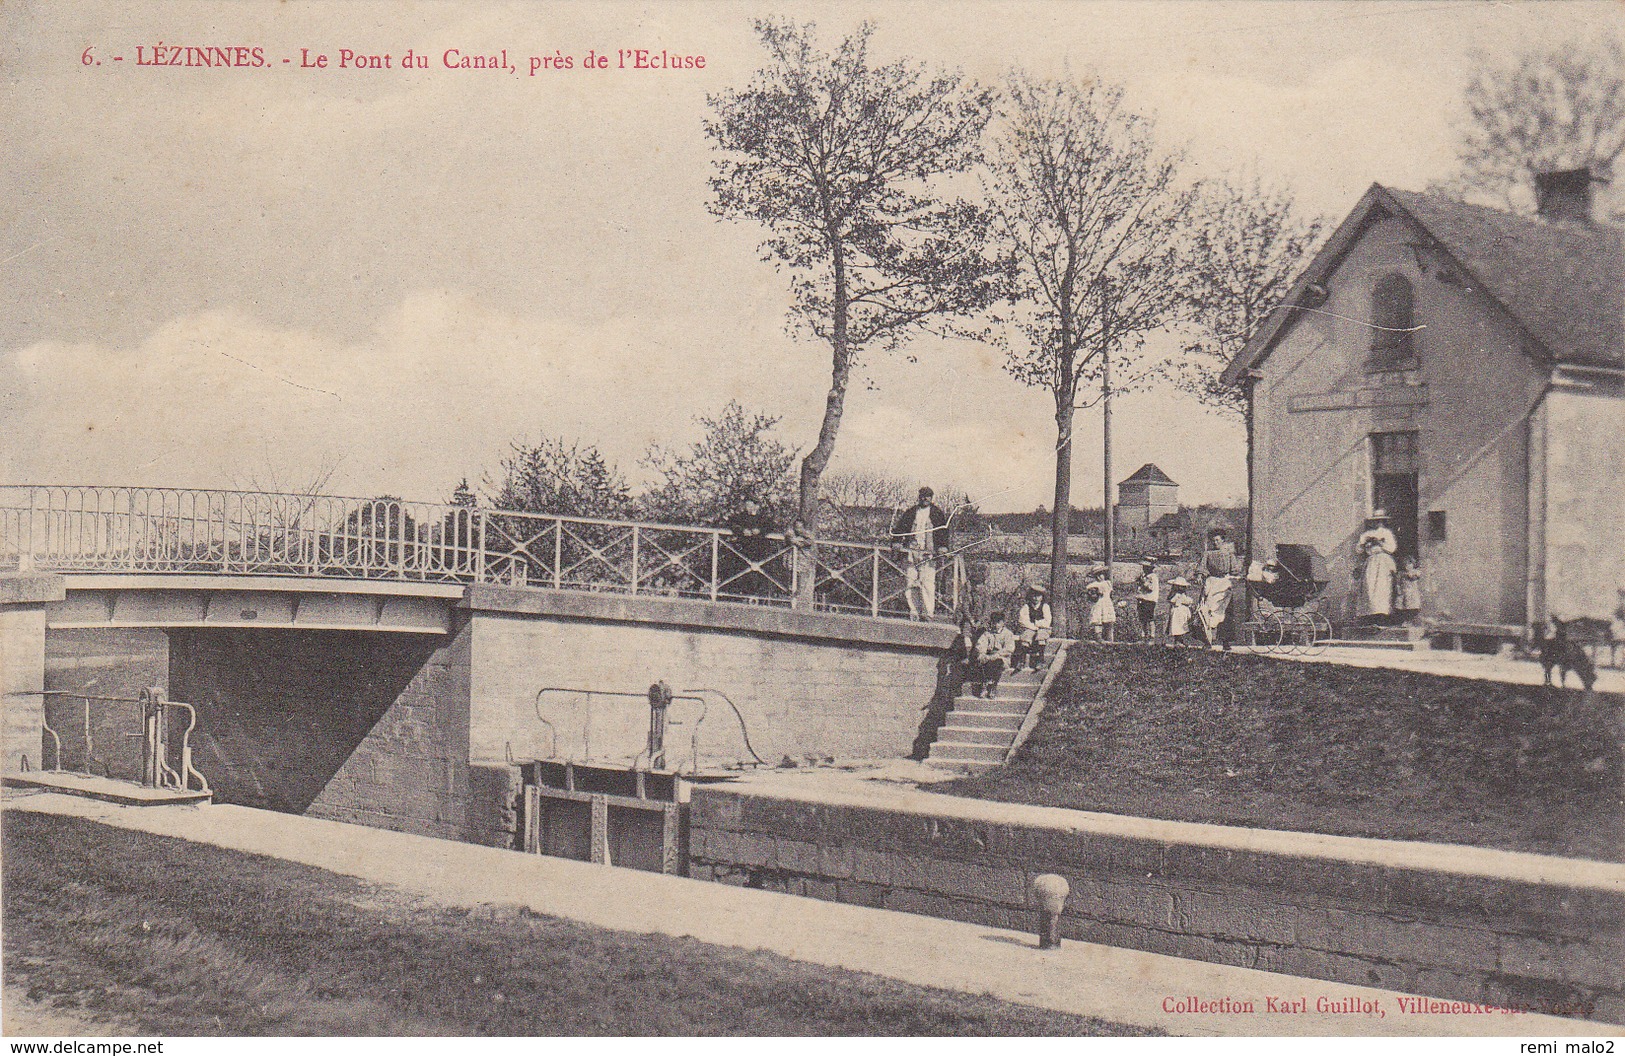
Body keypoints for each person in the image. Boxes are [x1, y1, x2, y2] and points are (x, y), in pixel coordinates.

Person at [890, 486, 951, 620]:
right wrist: (897, 541)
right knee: (910, 582)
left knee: (927, 583)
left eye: (928, 496)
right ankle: (914, 612)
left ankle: (928, 613)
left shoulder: (937, 513)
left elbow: (943, 532)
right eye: (923, 495)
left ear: (931, 498)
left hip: (928, 553)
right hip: (911, 551)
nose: (925, 498)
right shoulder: (911, 512)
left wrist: (943, 547)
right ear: (919, 497)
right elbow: (900, 528)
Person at [723, 497, 780, 600]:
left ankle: (758, 597)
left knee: (758, 574)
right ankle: (742, 596)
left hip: (759, 550)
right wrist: (742, 531)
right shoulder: (741, 517)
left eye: (750, 505)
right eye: (746, 506)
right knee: (742, 573)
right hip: (744, 550)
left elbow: (770, 526)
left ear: (756, 506)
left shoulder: (762, 518)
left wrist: (760, 531)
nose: (748, 508)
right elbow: (731, 523)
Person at [1200, 528, 1240, 651]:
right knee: (1206, 612)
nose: (1215, 543)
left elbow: (1235, 569)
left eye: (1217, 540)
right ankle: (1207, 641)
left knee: (1226, 613)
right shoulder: (1208, 554)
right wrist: (1200, 575)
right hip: (1212, 584)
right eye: (1213, 541)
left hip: (1224, 584)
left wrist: (1234, 576)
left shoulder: (1229, 554)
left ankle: (1226, 642)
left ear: (1223, 541)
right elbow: (1202, 568)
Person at [1356, 510, 1398, 622]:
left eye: (1380, 521)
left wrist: (1380, 543)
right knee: (1370, 588)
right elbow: (1359, 550)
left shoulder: (1386, 533)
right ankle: (1370, 616)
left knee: (1382, 588)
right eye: (1375, 521)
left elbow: (1392, 548)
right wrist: (1364, 543)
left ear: (1383, 522)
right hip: (1371, 562)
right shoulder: (1366, 534)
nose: (1378, 523)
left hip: (1383, 561)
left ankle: (1383, 616)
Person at [972, 611, 1015, 697]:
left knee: (996, 663)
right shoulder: (988, 633)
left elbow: (1009, 649)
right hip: (989, 656)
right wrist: (982, 653)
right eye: (994, 622)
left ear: (1003, 622)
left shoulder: (1007, 634)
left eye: (998, 622)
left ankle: (993, 686)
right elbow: (981, 644)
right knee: (983, 661)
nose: (996, 625)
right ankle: (985, 685)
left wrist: (997, 655)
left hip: (1002, 657)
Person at [1012, 585, 1052, 672]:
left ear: (1042, 597)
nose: (1036, 598)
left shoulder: (1045, 606)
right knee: (1026, 636)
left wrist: (1037, 624)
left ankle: (1041, 660)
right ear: (1030, 596)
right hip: (1030, 628)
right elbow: (1023, 620)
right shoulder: (1026, 607)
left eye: (1038, 596)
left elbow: (1047, 621)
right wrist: (1032, 626)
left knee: (1041, 635)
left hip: (1043, 628)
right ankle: (1022, 661)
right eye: (1034, 595)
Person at [947, 615, 979, 696]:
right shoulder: (958, 640)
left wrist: (970, 659)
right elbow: (953, 652)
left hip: (972, 663)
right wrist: (962, 659)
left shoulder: (975, 640)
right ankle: (956, 693)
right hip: (961, 663)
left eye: (968, 628)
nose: (966, 630)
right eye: (965, 628)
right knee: (957, 671)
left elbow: (978, 651)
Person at [1166, 577, 1197, 647]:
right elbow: (1187, 601)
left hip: (1179, 612)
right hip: (1179, 613)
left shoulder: (1175, 595)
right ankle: (1178, 641)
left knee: (1179, 627)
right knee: (1179, 626)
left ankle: (1179, 640)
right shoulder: (1179, 595)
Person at [1135, 559, 1161, 642]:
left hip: (1149, 600)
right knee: (1142, 618)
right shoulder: (1144, 576)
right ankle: (1143, 634)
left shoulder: (1153, 577)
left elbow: (1151, 588)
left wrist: (1144, 582)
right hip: (1142, 598)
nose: (1144, 568)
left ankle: (1152, 635)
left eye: (1146, 567)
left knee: (1149, 617)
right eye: (1144, 567)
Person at [1087, 571, 1116, 642]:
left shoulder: (1107, 583)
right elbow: (1090, 596)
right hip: (1099, 603)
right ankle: (1098, 637)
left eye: (1101, 574)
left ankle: (1109, 637)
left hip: (1107, 603)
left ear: (1104, 575)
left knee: (1109, 619)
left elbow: (1111, 594)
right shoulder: (1094, 584)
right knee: (1098, 619)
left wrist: (1115, 600)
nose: (1099, 577)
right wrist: (1095, 594)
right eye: (1097, 575)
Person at [1397, 555, 1423, 625]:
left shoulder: (1415, 572)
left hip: (1412, 592)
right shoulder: (1401, 573)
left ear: (1413, 564)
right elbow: (1398, 583)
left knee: (1413, 606)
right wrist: (1398, 589)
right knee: (1405, 606)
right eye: (1405, 565)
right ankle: (1406, 620)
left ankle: (1412, 620)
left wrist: (1410, 574)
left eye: (1409, 564)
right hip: (1404, 592)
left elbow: (1414, 578)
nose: (1407, 566)